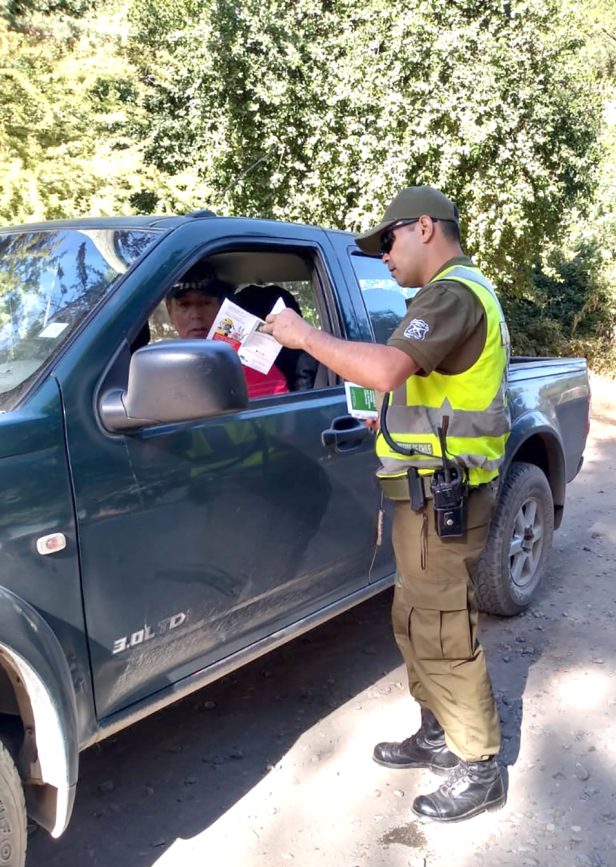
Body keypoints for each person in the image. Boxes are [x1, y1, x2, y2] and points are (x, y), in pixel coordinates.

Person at [263, 186, 510, 823]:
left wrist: (302, 334)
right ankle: (438, 732)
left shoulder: (452, 294)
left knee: (442, 627)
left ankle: (479, 766)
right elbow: (425, 392)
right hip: (424, 495)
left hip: (445, 497)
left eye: (389, 240)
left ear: (425, 227)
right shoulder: (447, 296)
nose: (383, 256)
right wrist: (393, 422)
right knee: (415, 619)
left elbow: (385, 370)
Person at [166, 263, 290, 399]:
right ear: (170, 312)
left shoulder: (251, 361)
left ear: (222, 309)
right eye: (184, 304)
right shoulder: (162, 366)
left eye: (205, 303)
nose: (196, 315)